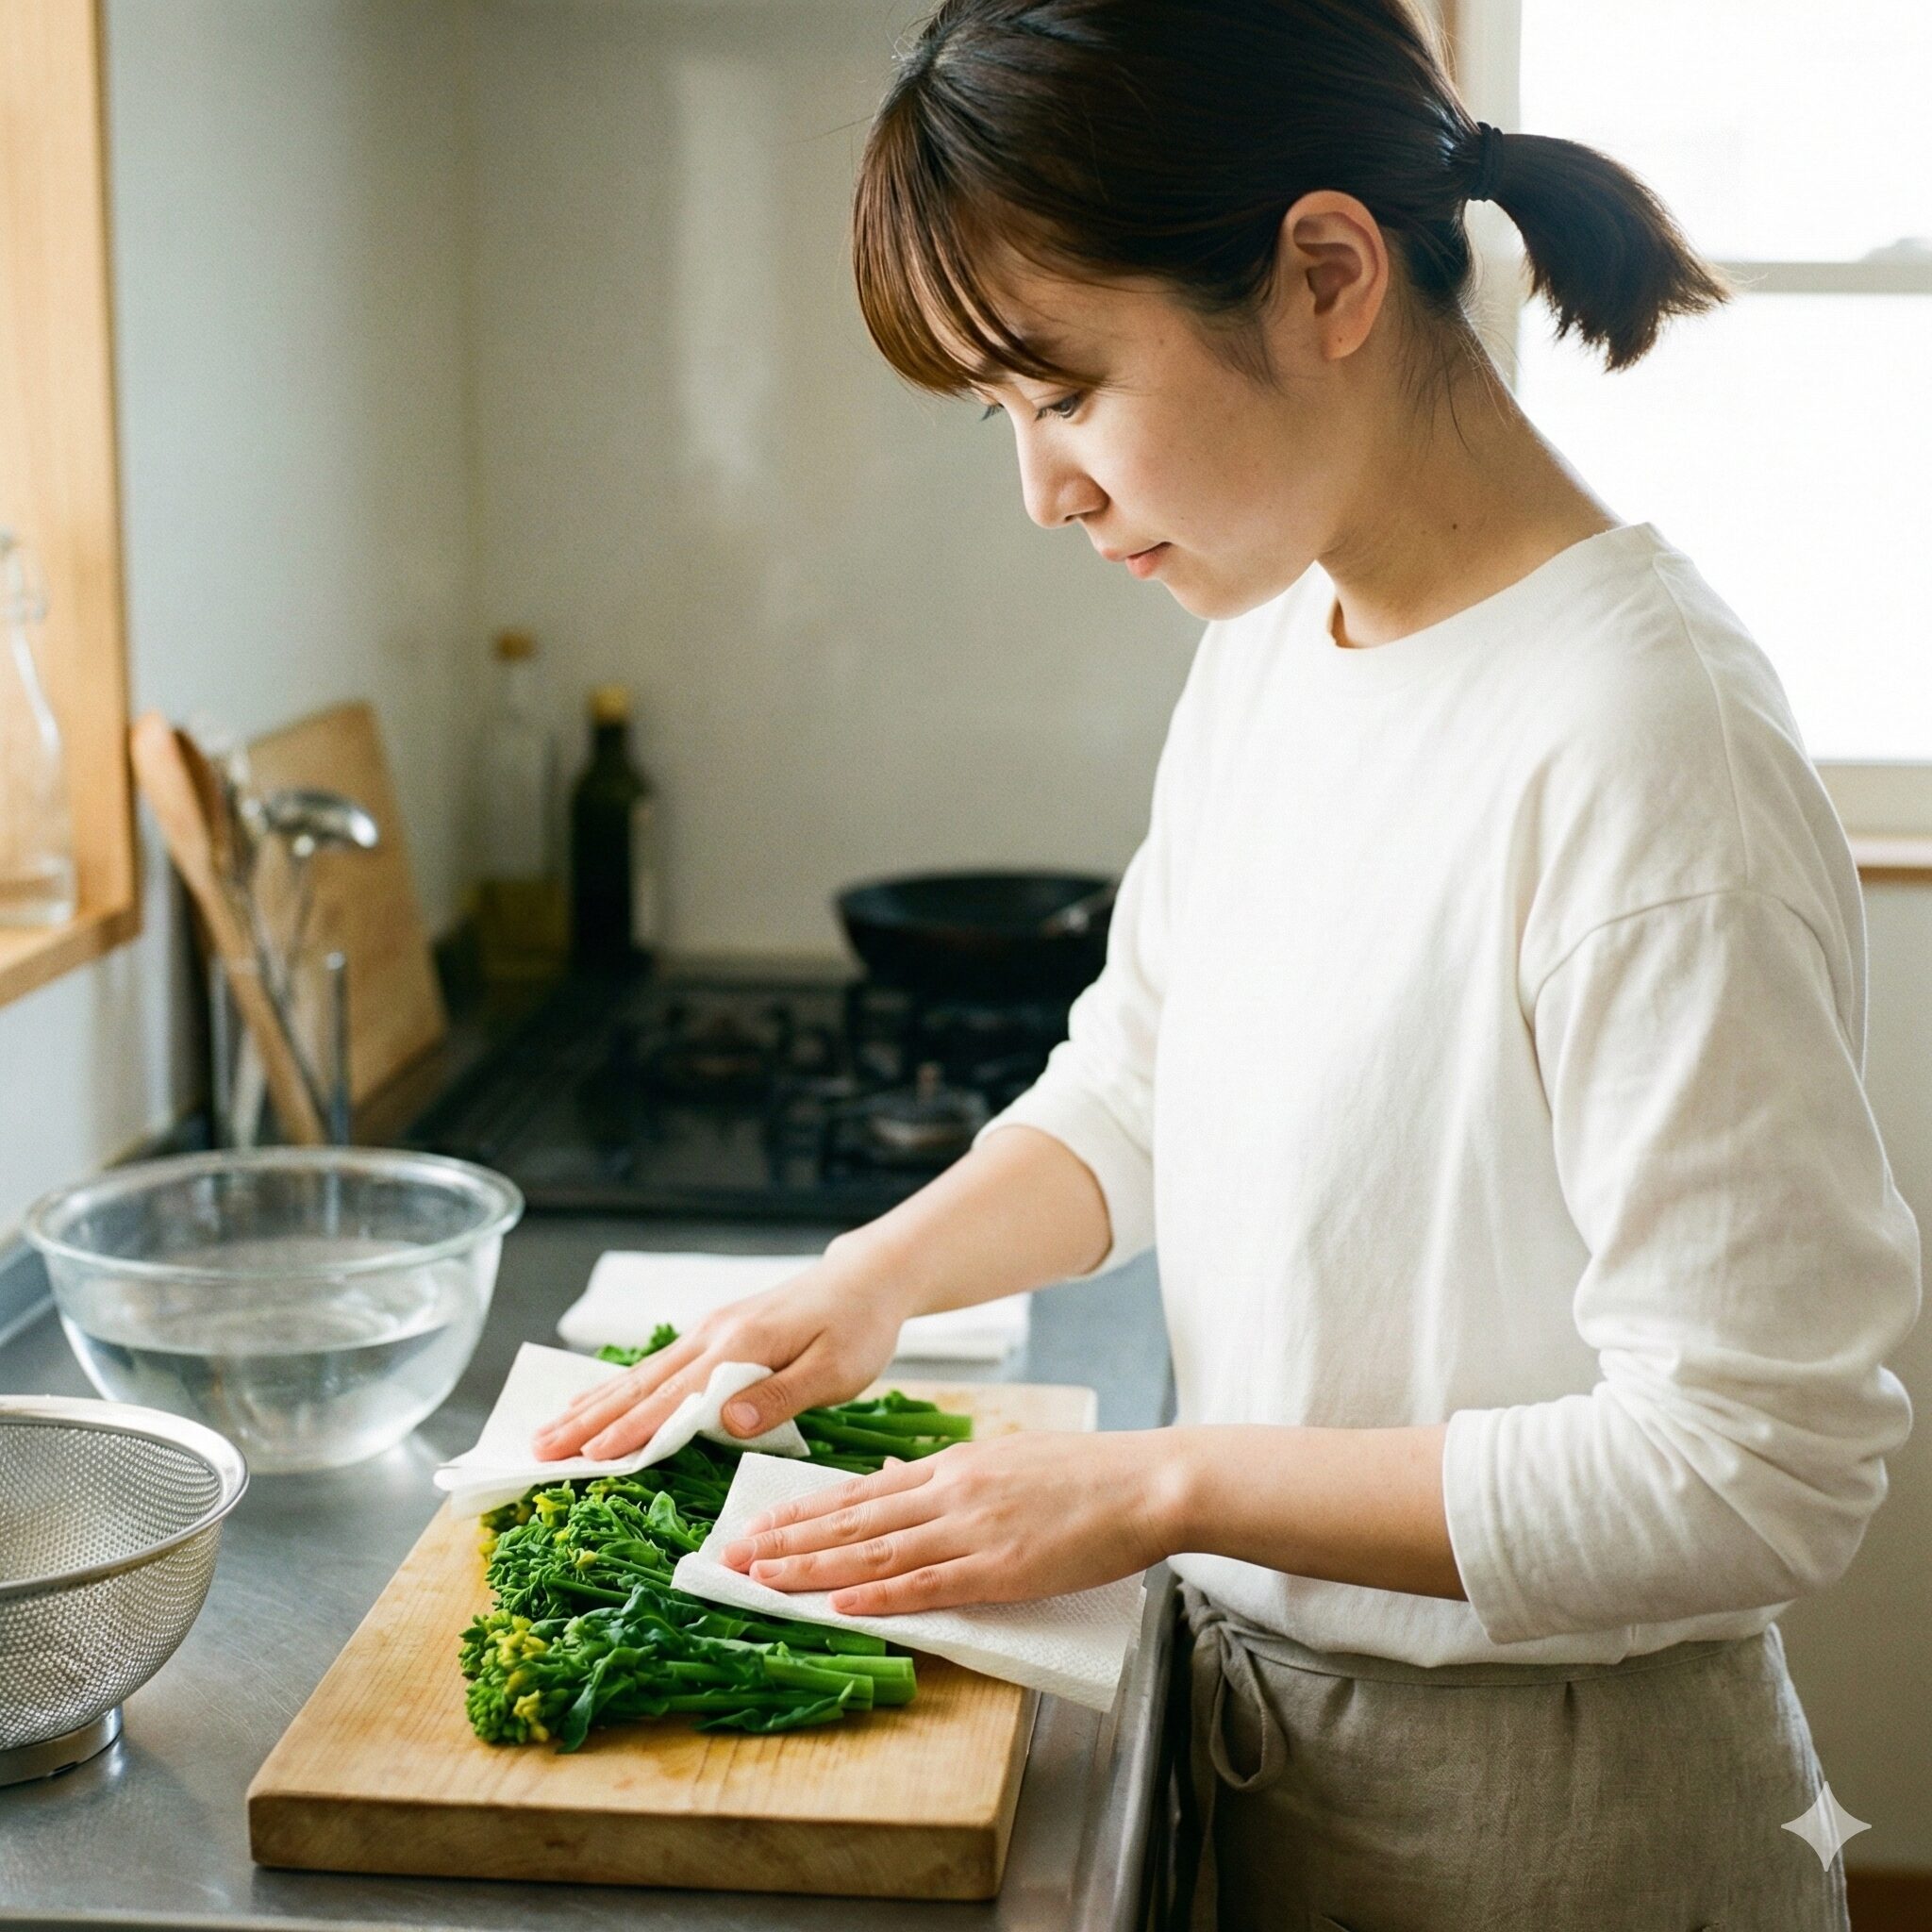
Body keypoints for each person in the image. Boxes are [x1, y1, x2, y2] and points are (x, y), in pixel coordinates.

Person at [533, 3, 1921, 1924]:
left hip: (1564, 1812)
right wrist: (871, 1280)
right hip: (1275, 1732)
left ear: (1327, 275)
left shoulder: (1642, 742)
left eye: (1066, 392)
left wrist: (1157, 1485)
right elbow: (1141, 1075)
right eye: (1002, 418)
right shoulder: (1277, 637)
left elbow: (1753, 1467)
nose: (1043, 491)